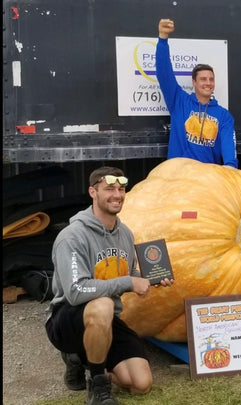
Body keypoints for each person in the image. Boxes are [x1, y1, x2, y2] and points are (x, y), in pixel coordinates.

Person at [45, 166, 174, 405]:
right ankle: (98, 384)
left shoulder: (124, 234)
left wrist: (150, 279)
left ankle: (81, 359)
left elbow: (127, 274)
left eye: (121, 189)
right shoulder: (72, 236)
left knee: (140, 383)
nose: (117, 195)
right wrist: (128, 282)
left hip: (106, 320)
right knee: (103, 304)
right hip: (68, 318)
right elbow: (75, 292)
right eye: (109, 189)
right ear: (92, 192)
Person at [156, 18, 238, 168]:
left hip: (205, 179)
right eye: (203, 79)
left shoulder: (223, 116)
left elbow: (228, 146)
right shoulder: (179, 101)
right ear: (194, 82)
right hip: (177, 174)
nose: (208, 83)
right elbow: (164, 73)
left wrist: (230, 167)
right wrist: (162, 39)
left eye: (211, 79)